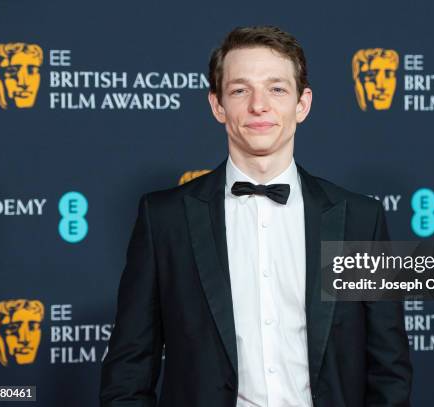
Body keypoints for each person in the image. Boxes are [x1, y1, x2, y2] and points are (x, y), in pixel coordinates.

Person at [100, 25, 412, 407]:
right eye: (239, 90)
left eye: (277, 89)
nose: (258, 105)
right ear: (217, 105)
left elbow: (389, 368)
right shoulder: (163, 218)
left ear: (303, 104)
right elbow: (128, 369)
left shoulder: (360, 219)